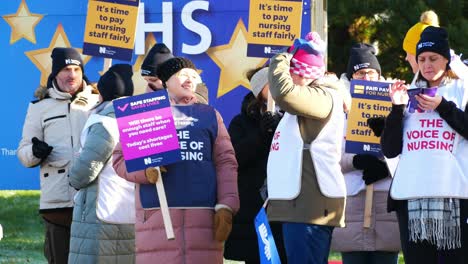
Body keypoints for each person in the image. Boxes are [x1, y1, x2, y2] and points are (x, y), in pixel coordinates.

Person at [112, 57, 239, 263]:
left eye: (193, 76)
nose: (189, 80)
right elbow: (119, 160)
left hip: (203, 217)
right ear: (165, 81)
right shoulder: (145, 112)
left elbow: (226, 163)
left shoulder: (210, 115)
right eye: (182, 75)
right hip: (156, 216)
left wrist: (226, 205)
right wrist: (146, 172)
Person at [381, 26, 468, 264]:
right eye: (421, 59)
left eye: (433, 58)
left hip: (453, 198)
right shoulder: (410, 94)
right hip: (412, 199)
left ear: (446, 60)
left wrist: (442, 106)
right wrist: (397, 109)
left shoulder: (462, 89)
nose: (427, 64)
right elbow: (390, 149)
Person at [266, 32, 347, 264]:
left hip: (310, 208)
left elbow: (283, 93)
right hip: (296, 207)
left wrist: (281, 57)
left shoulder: (323, 96)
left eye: (289, 71)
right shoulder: (305, 104)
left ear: (302, 73)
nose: (285, 77)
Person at [17, 47, 100, 263]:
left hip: (94, 199)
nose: (71, 75)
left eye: (75, 68)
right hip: (58, 205)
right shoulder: (39, 108)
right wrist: (35, 152)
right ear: (54, 73)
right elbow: (24, 153)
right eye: (65, 69)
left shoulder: (99, 103)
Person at [331, 43, 401, 264]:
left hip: (384, 201)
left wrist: (386, 167)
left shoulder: (396, 105)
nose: (367, 77)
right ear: (352, 77)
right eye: (361, 73)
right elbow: (329, 153)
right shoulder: (339, 108)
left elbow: (407, 151)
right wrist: (355, 160)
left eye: (371, 72)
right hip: (352, 199)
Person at [68, 64, 136, 263]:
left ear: (102, 95)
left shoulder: (105, 122)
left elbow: (84, 172)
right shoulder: (145, 120)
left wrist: (73, 176)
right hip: (135, 213)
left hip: (101, 213)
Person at [224, 67, 287, 264]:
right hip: (254, 210)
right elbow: (235, 158)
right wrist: (261, 135)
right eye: (272, 83)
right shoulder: (241, 122)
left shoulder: (293, 116)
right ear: (260, 90)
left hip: (286, 207)